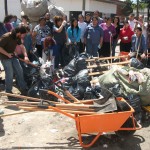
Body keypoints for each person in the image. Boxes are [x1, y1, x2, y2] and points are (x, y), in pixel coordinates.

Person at [0, 26, 28, 96]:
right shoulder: (6, 37)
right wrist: (7, 54)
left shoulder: (17, 37)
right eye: (23, 34)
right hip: (4, 57)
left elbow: (22, 46)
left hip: (12, 56)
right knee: (10, 74)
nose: (24, 36)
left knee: (19, 70)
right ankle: (8, 91)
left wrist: (26, 56)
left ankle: (23, 87)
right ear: (19, 33)